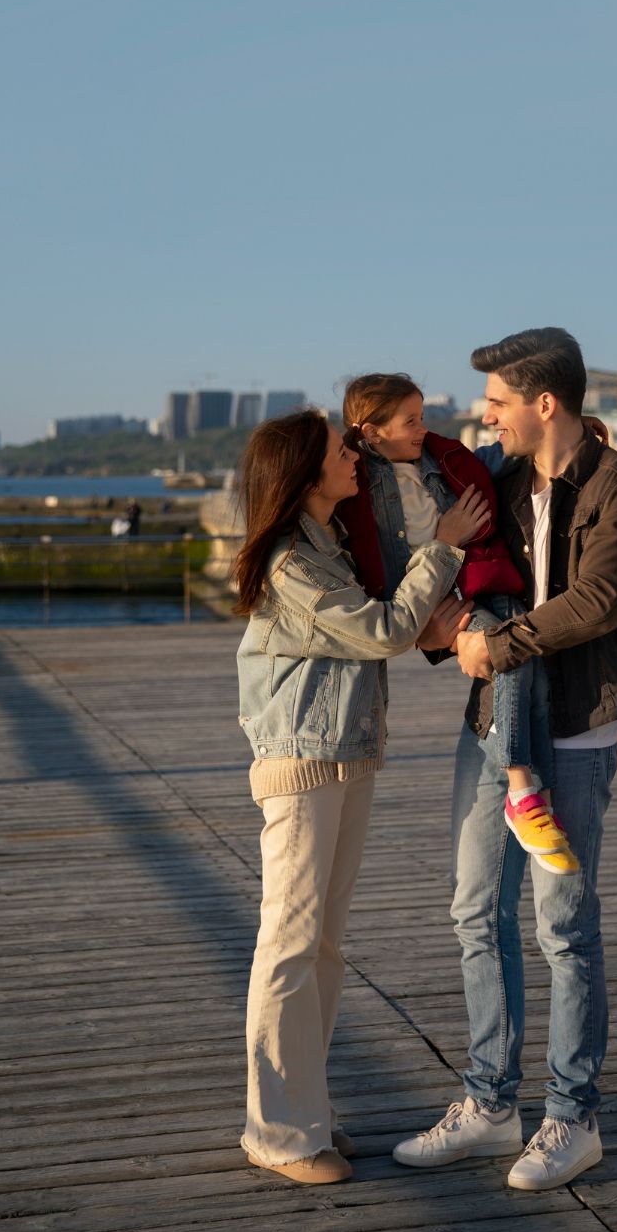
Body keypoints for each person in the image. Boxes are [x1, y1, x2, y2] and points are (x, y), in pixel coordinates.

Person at [392, 328, 617, 1192]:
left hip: (576, 731)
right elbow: (451, 563)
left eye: (499, 403)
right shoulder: (494, 480)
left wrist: (500, 644)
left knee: (564, 929)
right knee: (475, 910)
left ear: (546, 404)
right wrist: (445, 634)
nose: (486, 417)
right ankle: (490, 1104)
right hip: (494, 730)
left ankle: (573, 1118)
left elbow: (599, 602)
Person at [236, 409, 487, 1186]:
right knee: (288, 946)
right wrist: (444, 544)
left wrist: (432, 622)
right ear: (307, 474)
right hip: (302, 763)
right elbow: (376, 630)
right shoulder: (290, 562)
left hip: (344, 757)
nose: (355, 457)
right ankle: (277, 1133)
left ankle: (309, 1116)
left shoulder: (331, 543)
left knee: (323, 948)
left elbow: (374, 633)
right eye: (342, 451)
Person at [336, 374, 577, 872]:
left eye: (423, 416)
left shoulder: (437, 459)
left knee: (526, 669)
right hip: (435, 595)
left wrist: (567, 436)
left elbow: (489, 458)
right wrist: (441, 548)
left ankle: (539, 796)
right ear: (372, 432)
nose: (423, 428)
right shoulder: (356, 483)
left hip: (476, 585)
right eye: (411, 421)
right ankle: (521, 792)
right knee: (508, 655)